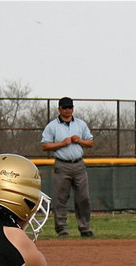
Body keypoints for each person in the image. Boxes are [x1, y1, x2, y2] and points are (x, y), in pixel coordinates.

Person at [40, 97, 95, 238]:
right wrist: (61, 143)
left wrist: (80, 140)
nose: (67, 110)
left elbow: (90, 142)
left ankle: (85, 228)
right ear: (59, 109)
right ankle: (62, 230)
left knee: (83, 198)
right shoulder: (52, 126)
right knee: (60, 199)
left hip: (78, 165)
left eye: (70, 107)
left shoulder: (80, 124)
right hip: (62, 165)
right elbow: (45, 145)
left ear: (73, 108)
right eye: (64, 107)